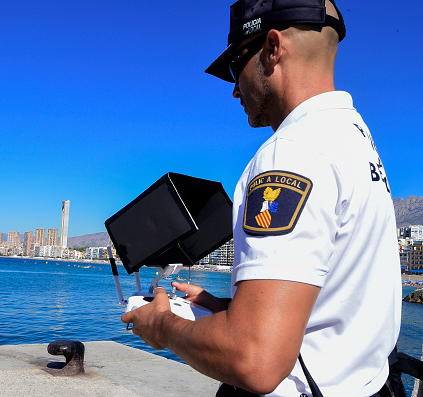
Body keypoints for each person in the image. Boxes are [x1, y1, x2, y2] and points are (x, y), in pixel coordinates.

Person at [121, 0, 403, 396]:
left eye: (236, 66)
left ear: (272, 48)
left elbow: (255, 360)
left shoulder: (290, 154)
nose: (235, 88)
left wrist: (163, 327)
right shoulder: (355, 137)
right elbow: (337, 301)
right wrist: (230, 310)